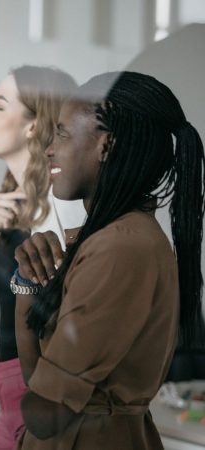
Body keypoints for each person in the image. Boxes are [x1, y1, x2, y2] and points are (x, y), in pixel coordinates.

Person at [12, 71, 205, 449]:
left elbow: (43, 414)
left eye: (63, 134)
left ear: (106, 145)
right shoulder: (112, 241)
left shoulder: (121, 249)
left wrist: (28, 310)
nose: (49, 148)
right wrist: (28, 285)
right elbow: (41, 391)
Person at [0, 65, 83, 450]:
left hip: (39, 398)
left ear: (33, 125)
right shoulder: (8, 208)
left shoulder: (66, 207)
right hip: (3, 393)